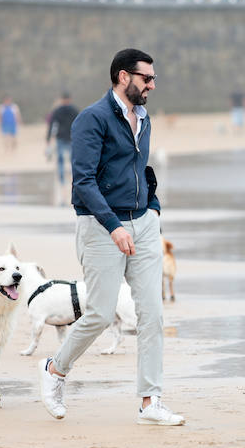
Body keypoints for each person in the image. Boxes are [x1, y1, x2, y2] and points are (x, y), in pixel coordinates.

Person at [38, 48, 184, 425]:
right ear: (123, 77)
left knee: (151, 313)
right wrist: (114, 227)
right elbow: (83, 181)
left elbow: (141, 169)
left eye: (153, 79)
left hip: (144, 224)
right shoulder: (92, 119)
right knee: (101, 313)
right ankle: (55, 369)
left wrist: (153, 208)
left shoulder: (144, 118)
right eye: (146, 78)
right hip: (100, 226)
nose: (152, 85)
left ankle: (150, 402)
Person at [46, 92, 80, 204]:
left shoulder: (57, 110)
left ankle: (62, 180)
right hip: (71, 137)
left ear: (61, 99)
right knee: (72, 161)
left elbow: (51, 125)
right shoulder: (74, 110)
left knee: (60, 161)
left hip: (60, 137)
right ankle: (72, 179)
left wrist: (48, 139)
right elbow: (80, 123)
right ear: (70, 99)